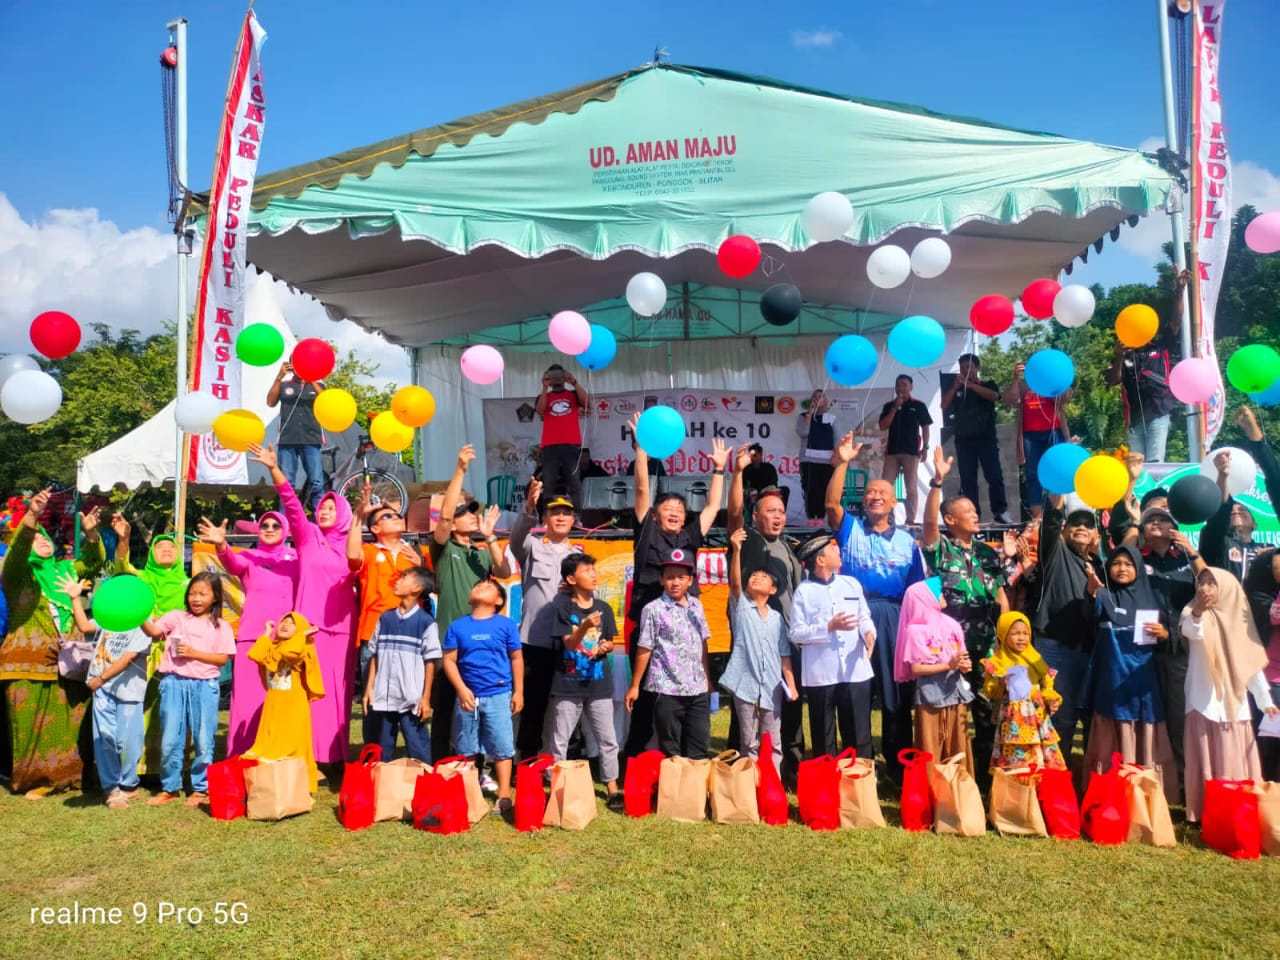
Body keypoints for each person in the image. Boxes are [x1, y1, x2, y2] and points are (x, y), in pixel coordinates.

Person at [251, 442, 359, 774]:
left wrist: (361, 519)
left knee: (338, 691)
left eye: (331, 507)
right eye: (322, 507)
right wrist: (274, 469)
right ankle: (305, 755)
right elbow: (293, 506)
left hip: (341, 629)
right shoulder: (308, 535)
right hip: (308, 628)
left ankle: (336, 757)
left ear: (342, 513)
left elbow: (358, 568)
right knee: (307, 690)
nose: (324, 511)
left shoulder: (351, 543)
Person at [621, 423, 727, 763]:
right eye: (668, 510)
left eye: (679, 512)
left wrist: (719, 469)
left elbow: (711, 508)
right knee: (646, 702)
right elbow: (640, 490)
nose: (674, 514)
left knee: (682, 703)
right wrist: (641, 450)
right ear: (655, 515)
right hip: (648, 628)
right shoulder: (646, 532)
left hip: (684, 629)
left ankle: (684, 764)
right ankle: (635, 763)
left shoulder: (690, 537)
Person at [825, 431, 925, 780]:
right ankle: (857, 764)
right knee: (856, 694)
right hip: (856, 614)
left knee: (897, 695)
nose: (875, 496)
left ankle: (899, 768)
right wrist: (843, 462)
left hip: (896, 617)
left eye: (882, 492)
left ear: (894, 502)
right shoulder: (850, 528)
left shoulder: (907, 541)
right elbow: (831, 506)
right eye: (869, 492)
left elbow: (916, 592)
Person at [0, 488, 104, 797]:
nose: (42, 540)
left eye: (45, 536)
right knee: (29, 724)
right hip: (27, 661)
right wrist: (31, 516)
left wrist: (92, 535)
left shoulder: (65, 569)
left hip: (71, 659)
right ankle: (33, 780)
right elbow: (17, 549)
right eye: (35, 538)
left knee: (71, 724)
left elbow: (94, 561)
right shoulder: (19, 573)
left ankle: (69, 778)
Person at [920, 447, 1009, 789]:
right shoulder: (942, 548)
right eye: (967, 511)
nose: (975, 515)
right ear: (951, 520)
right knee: (952, 709)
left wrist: (1002, 638)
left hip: (987, 640)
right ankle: (953, 775)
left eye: (975, 510)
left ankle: (988, 779)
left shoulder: (988, 552)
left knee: (989, 708)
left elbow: (1001, 595)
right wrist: (937, 482)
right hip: (952, 639)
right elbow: (929, 524)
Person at [428, 444, 511, 767]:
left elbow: (503, 572)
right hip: (450, 641)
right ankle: (439, 766)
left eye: (473, 512)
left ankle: (477, 767)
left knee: (479, 708)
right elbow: (445, 516)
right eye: (467, 513)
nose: (472, 517)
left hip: (481, 644)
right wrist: (460, 468)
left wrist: (490, 538)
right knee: (446, 707)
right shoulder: (444, 549)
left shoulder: (480, 553)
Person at [728, 444, 804, 785]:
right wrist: (737, 472)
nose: (777, 515)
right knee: (746, 710)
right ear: (756, 516)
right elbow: (733, 514)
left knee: (788, 706)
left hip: (787, 641)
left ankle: (788, 770)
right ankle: (742, 771)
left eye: (781, 511)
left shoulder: (788, 546)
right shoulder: (750, 541)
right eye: (770, 511)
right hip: (754, 642)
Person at [197, 512, 300, 756]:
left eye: (276, 525)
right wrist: (221, 544)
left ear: (285, 530)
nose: (270, 528)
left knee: (283, 701)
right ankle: (241, 757)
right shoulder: (250, 557)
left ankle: (280, 758)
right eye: (265, 524)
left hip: (287, 642)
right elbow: (232, 563)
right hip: (253, 639)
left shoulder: (297, 557)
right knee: (247, 702)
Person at [1179, 568, 1277, 822]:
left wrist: (1265, 701)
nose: (1206, 588)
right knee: (1205, 755)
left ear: (1228, 587)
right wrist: (1199, 609)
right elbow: (1193, 632)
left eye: (1213, 583)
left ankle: (1236, 810)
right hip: (1202, 700)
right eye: (1202, 582)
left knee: (1233, 756)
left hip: (1234, 704)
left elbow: (1249, 665)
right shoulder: (1191, 612)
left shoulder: (1238, 620)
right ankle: (1206, 812)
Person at [1082, 545, 1177, 803]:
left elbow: (1172, 639)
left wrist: (1165, 634)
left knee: (1144, 731)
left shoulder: (1153, 599)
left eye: (1128, 564)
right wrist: (1091, 594)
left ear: (1138, 568)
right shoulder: (1103, 596)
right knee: (1109, 733)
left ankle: (1145, 793)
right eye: (1116, 563)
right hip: (1110, 682)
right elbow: (1084, 623)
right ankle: (1109, 791)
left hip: (1142, 681)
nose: (1122, 569)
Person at [142, 572, 235, 806]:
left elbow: (223, 658)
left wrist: (194, 653)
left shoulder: (221, 626)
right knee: (170, 739)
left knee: (204, 740)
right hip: (173, 684)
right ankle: (170, 787)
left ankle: (200, 789)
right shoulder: (176, 617)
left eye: (203, 594)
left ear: (214, 598)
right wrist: (139, 611)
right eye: (193, 593)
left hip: (204, 687)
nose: (196, 598)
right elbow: (154, 632)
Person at [109, 518, 189, 778]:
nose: (166, 549)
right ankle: (138, 767)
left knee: (173, 709)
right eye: (159, 547)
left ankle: (171, 767)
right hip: (144, 654)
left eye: (171, 547)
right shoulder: (142, 579)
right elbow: (121, 568)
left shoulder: (190, 586)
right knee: (141, 707)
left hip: (180, 656)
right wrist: (123, 539)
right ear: (151, 554)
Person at [60, 574, 149, 809]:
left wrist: (101, 678)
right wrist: (75, 599)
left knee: (128, 741)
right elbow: (85, 626)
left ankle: (129, 783)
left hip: (128, 691)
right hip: (102, 690)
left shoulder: (143, 620)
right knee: (104, 739)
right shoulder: (108, 616)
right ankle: (112, 789)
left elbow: (130, 657)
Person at [1132, 503, 1206, 781]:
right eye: (1150, 520)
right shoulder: (1136, 558)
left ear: (1174, 529)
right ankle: (1147, 772)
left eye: (1163, 519)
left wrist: (1192, 551)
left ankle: (1183, 776)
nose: (1155, 523)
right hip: (1143, 647)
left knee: (1178, 713)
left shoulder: (1185, 559)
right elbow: (1118, 560)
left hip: (1179, 648)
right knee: (1146, 712)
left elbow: (1210, 583)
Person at [511, 479, 582, 760]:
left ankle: (566, 758)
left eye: (566, 513)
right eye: (555, 513)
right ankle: (528, 758)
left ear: (574, 520)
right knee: (534, 702)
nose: (561, 517)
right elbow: (517, 536)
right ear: (545, 518)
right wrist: (529, 504)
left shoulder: (579, 557)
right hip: (535, 638)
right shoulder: (531, 547)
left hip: (568, 640)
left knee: (567, 702)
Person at [789, 533, 876, 760]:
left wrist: (869, 633)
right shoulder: (804, 592)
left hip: (854, 670)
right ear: (820, 560)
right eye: (833, 550)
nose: (839, 552)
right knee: (823, 732)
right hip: (821, 674)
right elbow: (796, 633)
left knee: (858, 732)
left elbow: (864, 616)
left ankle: (860, 783)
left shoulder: (851, 583)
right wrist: (828, 626)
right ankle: (827, 784)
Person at [346, 485, 422, 741]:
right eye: (386, 516)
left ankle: (416, 756)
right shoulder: (369, 551)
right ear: (375, 529)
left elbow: (429, 587)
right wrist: (358, 516)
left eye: (396, 514)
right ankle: (375, 756)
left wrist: (420, 567)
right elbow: (352, 555)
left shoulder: (413, 552)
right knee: (375, 695)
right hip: (375, 632)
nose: (395, 516)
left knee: (412, 694)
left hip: (411, 634)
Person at [1032, 494, 1105, 760]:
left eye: (1088, 523)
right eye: (1075, 523)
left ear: (1096, 533)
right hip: (1055, 646)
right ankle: (1054, 778)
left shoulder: (1099, 566)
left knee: (1089, 715)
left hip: (1089, 648)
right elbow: (1049, 527)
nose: (1082, 527)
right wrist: (1058, 499)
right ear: (1064, 530)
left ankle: (1086, 779)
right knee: (1058, 715)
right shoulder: (1056, 553)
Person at [441, 579, 523, 815]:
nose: (480, 586)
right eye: (477, 585)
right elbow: (449, 660)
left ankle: (505, 795)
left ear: (499, 600)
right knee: (466, 747)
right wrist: (461, 689)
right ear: (469, 597)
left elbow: (516, 659)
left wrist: (518, 691)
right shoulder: (457, 627)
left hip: (499, 694)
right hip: (467, 697)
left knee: (502, 746)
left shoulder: (506, 625)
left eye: (488, 586)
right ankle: (468, 793)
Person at [547, 552, 622, 810]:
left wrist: (606, 647)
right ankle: (556, 787)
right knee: (560, 740)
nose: (593, 574)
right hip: (567, 684)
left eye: (593, 569)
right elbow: (568, 642)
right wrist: (584, 626)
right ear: (571, 578)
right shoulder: (563, 607)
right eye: (586, 570)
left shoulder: (605, 608)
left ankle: (612, 787)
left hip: (599, 684)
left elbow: (611, 639)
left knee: (608, 738)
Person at [720, 528, 798, 775]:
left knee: (772, 741)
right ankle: (749, 785)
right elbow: (734, 583)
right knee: (748, 741)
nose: (756, 578)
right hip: (744, 681)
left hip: (772, 684)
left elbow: (784, 654)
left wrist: (792, 684)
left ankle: (771, 783)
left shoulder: (776, 618)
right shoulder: (741, 608)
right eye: (754, 575)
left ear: (773, 590)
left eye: (764, 577)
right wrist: (736, 551)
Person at [625, 548, 712, 760]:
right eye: (670, 577)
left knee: (699, 746)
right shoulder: (653, 609)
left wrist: (708, 679)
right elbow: (645, 648)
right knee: (670, 748)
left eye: (681, 577)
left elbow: (702, 643)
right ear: (661, 579)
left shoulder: (696, 606)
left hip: (697, 688)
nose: (675, 582)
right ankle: (673, 792)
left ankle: (696, 792)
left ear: (690, 580)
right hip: (667, 688)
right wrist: (635, 685)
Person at [1105, 269, 1189, 462]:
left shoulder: (1160, 346)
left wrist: (1179, 290)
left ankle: (1156, 493)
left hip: (1159, 412)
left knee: (1154, 462)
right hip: (1134, 419)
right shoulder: (1124, 354)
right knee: (1136, 465)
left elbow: (1176, 322)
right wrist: (1118, 356)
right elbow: (1113, 381)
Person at [362, 567, 440, 765]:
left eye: (404, 578)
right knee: (382, 747)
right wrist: (369, 688)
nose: (397, 581)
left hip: (410, 696)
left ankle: (424, 785)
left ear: (416, 588)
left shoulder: (426, 622)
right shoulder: (385, 618)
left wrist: (426, 698)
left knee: (418, 745)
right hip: (383, 696)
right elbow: (375, 655)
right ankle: (380, 785)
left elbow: (430, 661)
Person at [895, 579, 974, 774]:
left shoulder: (952, 625)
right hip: (930, 696)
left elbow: (961, 657)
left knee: (958, 742)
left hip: (955, 693)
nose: (942, 596)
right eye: (937, 593)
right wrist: (948, 665)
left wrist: (964, 666)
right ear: (924, 599)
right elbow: (916, 668)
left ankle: (960, 790)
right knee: (930, 744)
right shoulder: (915, 631)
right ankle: (931, 793)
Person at [246, 612, 325, 792]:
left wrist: (301, 636)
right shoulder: (273, 648)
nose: (285, 624)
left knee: (293, 745)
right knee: (269, 741)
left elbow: (290, 652)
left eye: (292, 623)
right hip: (273, 705)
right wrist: (267, 633)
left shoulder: (301, 649)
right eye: (284, 621)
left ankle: (297, 788)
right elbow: (255, 654)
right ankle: (273, 789)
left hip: (294, 706)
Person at [1200, 407, 1280, 581]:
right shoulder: (1217, 544)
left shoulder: (1270, 549)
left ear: (1255, 524)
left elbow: (1276, 482)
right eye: (1232, 510)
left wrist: (1272, 555)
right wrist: (1222, 475)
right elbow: (1219, 516)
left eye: (1243, 510)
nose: (1236, 511)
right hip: (1229, 606)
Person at [982, 611, 1066, 772]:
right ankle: (1016, 790)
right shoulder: (996, 662)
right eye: (1014, 633)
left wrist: (1050, 698)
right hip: (1012, 720)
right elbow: (990, 691)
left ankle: (1040, 790)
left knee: (1042, 755)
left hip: (1037, 717)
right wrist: (1002, 683)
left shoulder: (1035, 659)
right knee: (1016, 755)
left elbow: (1047, 684)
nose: (1021, 638)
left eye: (1025, 633)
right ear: (1003, 634)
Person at [941, 353, 1012, 524]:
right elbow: (943, 406)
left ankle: (1000, 511)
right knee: (968, 480)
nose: (967, 370)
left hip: (986, 439)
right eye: (964, 368)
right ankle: (973, 515)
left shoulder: (988, 384)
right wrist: (955, 387)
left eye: (970, 367)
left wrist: (972, 386)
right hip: (964, 441)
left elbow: (995, 396)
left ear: (977, 368)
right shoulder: (956, 388)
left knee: (994, 476)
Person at [1004, 361, 1072, 517]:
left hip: (1053, 431)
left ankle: (1055, 514)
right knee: (1032, 474)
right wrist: (1015, 379)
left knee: (1055, 471)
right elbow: (1010, 400)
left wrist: (1057, 381)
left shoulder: (1050, 383)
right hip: (1030, 435)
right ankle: (1038, 518)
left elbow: (1066, 397)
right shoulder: (1023, 385)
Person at [266, 360, 326, 511]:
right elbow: (270, 402)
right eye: (296, 364)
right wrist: (279, 377)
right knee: (287, 484)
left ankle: (320, 523)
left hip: (311, 440)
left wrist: (311, 378)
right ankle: (286, 523)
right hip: (288, 440)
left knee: (317, 482)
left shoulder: (318, 385)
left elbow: (327, 401)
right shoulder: (285, 384)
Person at [878, 374, 932, 524]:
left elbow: (925, 427)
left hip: (911, 452)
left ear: (911, 387)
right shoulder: (888, 406)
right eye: (898, 385)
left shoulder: (918, 405)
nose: (900, 388)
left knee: (911, 487)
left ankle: (910, 519)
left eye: (904, 384)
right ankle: (889, 519)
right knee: (886, 486)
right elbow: (883, 426)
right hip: (892, 452)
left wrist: (926, 447)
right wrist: (895, 407)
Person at [536, 363, 588, 509]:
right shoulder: (544, 396)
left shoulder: (572, 394)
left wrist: (574, 383)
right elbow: (540, 410)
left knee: (574, 482)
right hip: (550, 447)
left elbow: (587, 403)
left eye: (559, 375)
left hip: (570, 445)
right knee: (549, 484)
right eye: (553, 376)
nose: (557, 379)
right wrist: (545, 387)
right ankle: (546, 517)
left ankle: (577, 516)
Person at [797, 388, 838, 524]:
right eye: (815, 397)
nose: (818, 399)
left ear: (826, 401)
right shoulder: (803, 416)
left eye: (821, 396)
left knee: (824, 489)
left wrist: (836, 456)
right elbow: (803, 433)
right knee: (809, 489)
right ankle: (810, 518)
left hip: (827, 460)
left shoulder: (832, 417)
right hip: (808, 459)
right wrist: (809, 416)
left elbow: (837, 437)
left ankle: (820, 518)